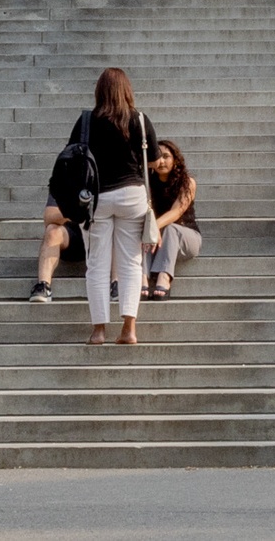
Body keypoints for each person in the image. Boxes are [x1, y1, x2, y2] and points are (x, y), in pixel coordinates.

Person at [66, 67, 156, 348]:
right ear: (127, 90)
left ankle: (99, 331)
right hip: (132, 195)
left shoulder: (86, 121)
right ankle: (129, 329)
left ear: (99, 90)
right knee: (131, 263)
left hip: (96, 198)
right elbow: (152, 159)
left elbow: (71, 156)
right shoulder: (139, 119)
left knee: (97, 264)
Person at [142, 136, 200, 302]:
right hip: (158, 237)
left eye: (166, 156)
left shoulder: (187, 182)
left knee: (171, 228)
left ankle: (164, 277)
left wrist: (153, 228)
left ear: (175, 159)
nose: (161, 161)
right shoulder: (146, 184)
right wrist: (151, 230)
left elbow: (176, 212)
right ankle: (142, 276)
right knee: (140, 229)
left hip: (187, 237)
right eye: (157, 157)